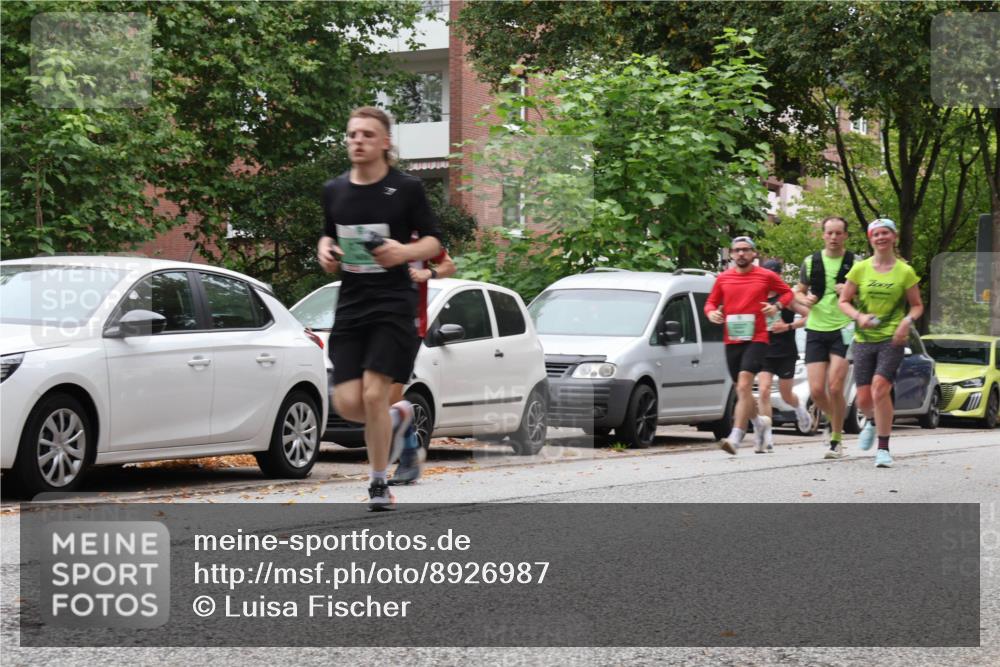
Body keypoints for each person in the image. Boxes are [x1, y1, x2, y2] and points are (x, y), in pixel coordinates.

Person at [317, 106, 443, 510]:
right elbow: (326, 236)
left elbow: (434, 244)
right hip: (352, 303)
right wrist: (326, 251)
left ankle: (377, 484)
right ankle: (398, 418)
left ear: (385, 142)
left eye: (367, 135)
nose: (358, 141)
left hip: (393, 302)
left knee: (374, 394)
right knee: (348, 404)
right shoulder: (334, 190)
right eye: (352, 134)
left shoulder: (406, 189)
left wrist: (403, 252)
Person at [705, 236, 811, 455]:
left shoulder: (765, 276)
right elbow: (711, 302)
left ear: (754, 253)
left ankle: (736, 436)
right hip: (732, 339)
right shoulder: (723, 278)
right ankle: (760, 422)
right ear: (732, 254)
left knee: (745, 385)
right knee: (741, 390)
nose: (741, 254)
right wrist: (711, 313)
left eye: (746, 250)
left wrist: (778, 308)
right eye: (737, 250)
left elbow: (788, 293)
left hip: (759, 339)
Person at [838, 218, 923, 468]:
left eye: (886, 233)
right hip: (864, 339)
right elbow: (844, 301)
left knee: (880, 388)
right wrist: (859, 316)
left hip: (892, 338)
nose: (881, 237)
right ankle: (873, 423)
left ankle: (884, 449)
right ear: (870, 238)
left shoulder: (905, 272)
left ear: (894, 237)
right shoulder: (860, 269)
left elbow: (917, 305)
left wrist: (906, 322)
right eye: (876, 234)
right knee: (864, 399)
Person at [387, 247, 457, 486]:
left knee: (391, 394)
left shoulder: (421, 236)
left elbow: (449, 265)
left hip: (409, 326)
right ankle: (407, 450)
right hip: (375, 322)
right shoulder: (377, 225)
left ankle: (408, 455)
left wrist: (429, 274)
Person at [794, 216, 857, 459]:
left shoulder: (855, 263)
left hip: (843, 329)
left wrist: (852, 291)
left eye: (838, 233)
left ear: (845, 236)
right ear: (822, 235)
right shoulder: (811, 262)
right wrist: (803, 299)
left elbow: (864, 294)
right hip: (816, 329)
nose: (833, 237)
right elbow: (797, 290)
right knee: (818, 390)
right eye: (829, 233)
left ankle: (836, 438)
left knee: (835, 386)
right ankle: (834, 421)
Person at [756, 259, 810, 453]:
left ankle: (800, 408)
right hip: (764, 350)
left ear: (777, 276)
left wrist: (788, 326)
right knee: (764, 391)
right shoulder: (758, 296)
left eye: (772, 275)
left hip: (786, 351)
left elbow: (809, 316)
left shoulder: (786, 298)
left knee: (787, 395)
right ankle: (767, 437)